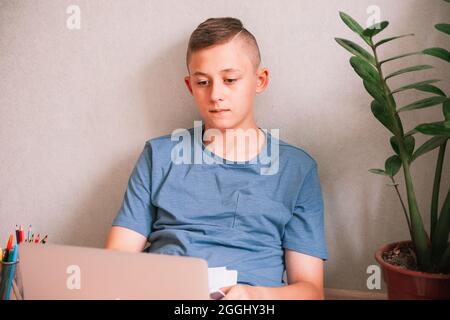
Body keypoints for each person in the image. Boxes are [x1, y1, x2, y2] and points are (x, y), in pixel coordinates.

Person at [105, 17, 328, 300]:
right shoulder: (159, 156)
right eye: (203, 82)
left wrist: (252, 296)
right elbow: (115, 263)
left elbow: (310, 292)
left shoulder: (296, 169)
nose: (216, 95)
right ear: (190, 86)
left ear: (260, 81)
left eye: (230, 80)